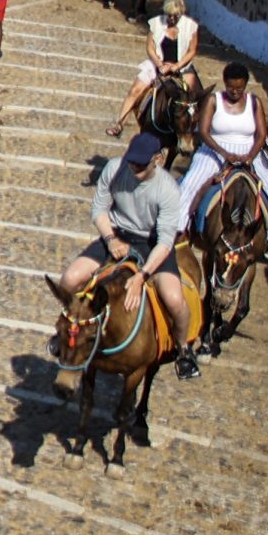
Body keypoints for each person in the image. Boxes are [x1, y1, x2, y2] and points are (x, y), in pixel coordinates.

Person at [57, 131, 199, 378]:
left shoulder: (168, 189)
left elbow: (166, 241)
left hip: (151, 243)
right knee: (70, 279)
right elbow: (99, 209)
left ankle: (183, 349)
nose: (134, 168)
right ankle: (69, 331)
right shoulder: (114, 169)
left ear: (157, 160)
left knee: (175, 299)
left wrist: (142, 276)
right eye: (131, 161)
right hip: (116, 234)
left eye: (140, 165)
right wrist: (111, 239)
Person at [178, 61, 268, 272]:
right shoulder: (214, 101)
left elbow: (261, 134)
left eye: (239, 88)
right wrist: (225, 154)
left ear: (245, 85)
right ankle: (179, 231)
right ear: (225, 83)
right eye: (231, 87)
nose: (235, 92)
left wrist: (250, 157)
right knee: (189, 185)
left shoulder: (254, 103)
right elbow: (204, 132)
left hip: (248, 152)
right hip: (215, 150)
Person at [111, 0, 200, 138]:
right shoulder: (156, 23)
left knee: (194, 95)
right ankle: (120, 124)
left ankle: (196, 129)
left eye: (175, 16)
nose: (171, 19)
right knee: (135, 90)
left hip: (181, 65)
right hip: (158, 63)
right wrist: (160, 64)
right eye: (169, 15)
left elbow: (192, 51)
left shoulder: (191, 27)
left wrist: (177, 66)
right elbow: (150, 47)